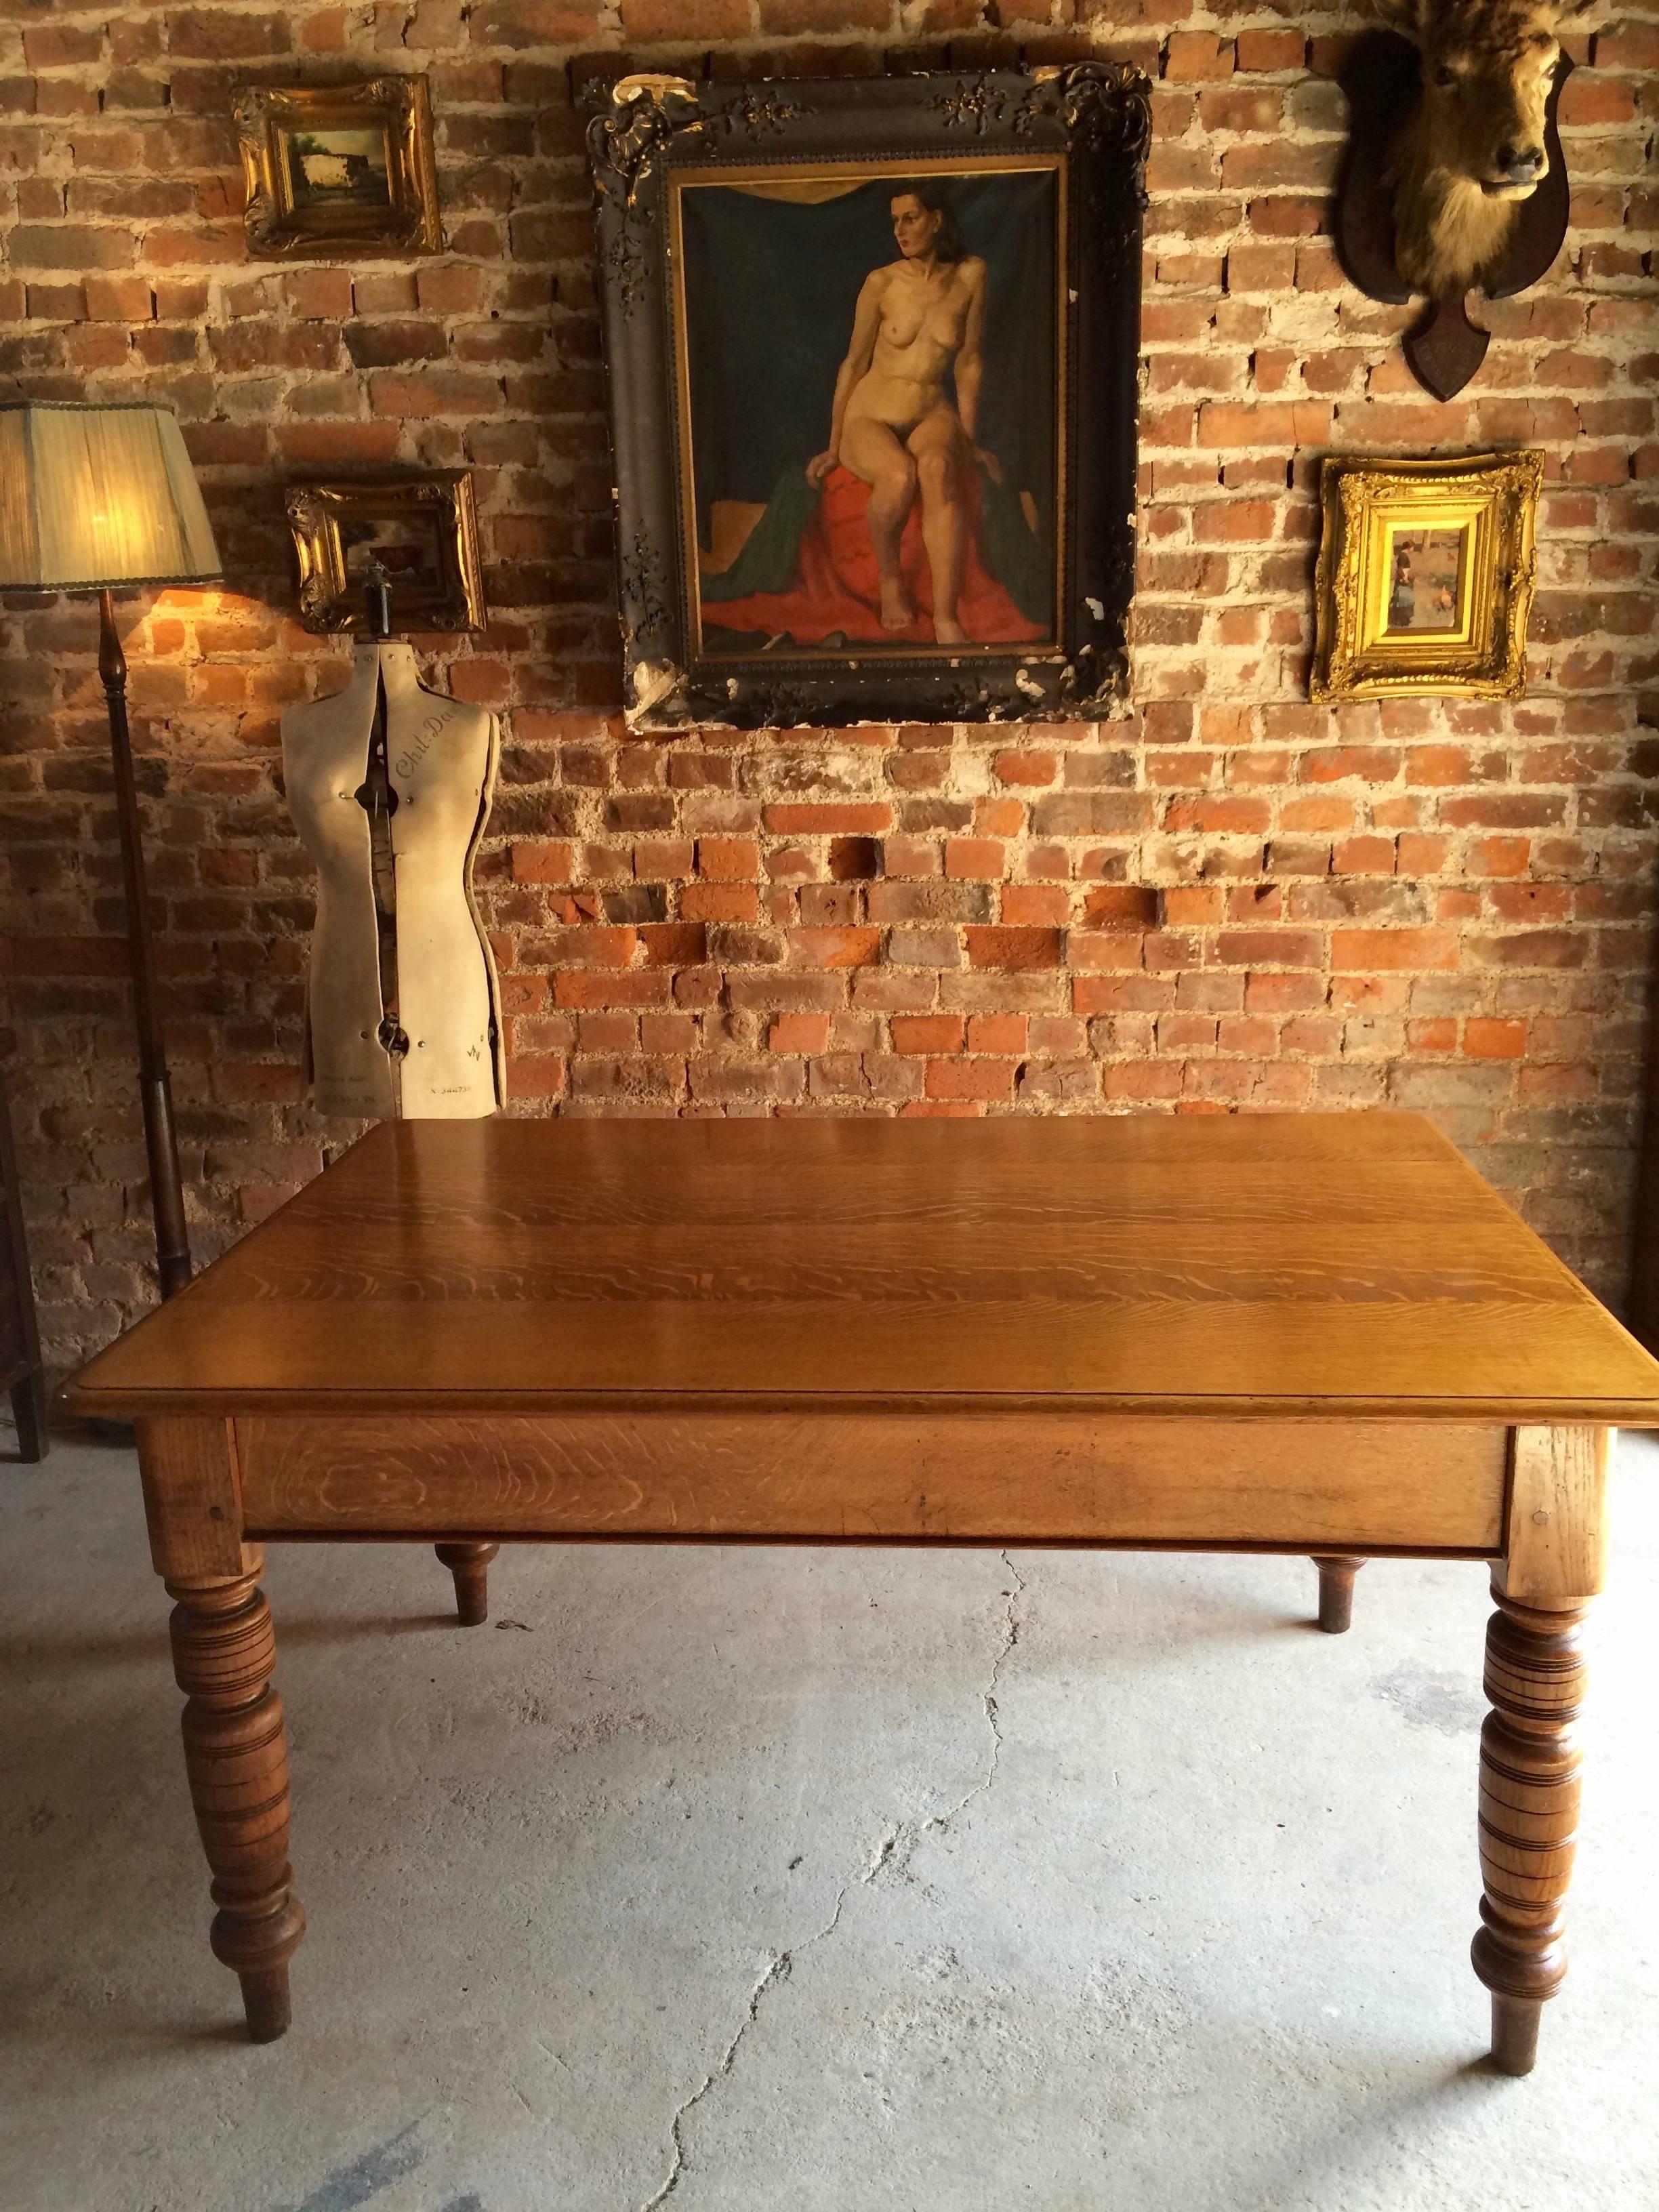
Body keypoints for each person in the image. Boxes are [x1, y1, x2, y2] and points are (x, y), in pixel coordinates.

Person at [806, 183, 998, 646]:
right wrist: (833, 446)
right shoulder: (882, 283)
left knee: (935, 467)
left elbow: (969, 361)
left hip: (932, 409)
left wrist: (968, 441)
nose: (900, 231)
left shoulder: (971, 276)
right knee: (897, 476)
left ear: (937, 220)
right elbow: (853, 363)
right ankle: (890, 580)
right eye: (894, 222)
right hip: (871, 413)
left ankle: (946, 615)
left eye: (910, 218)